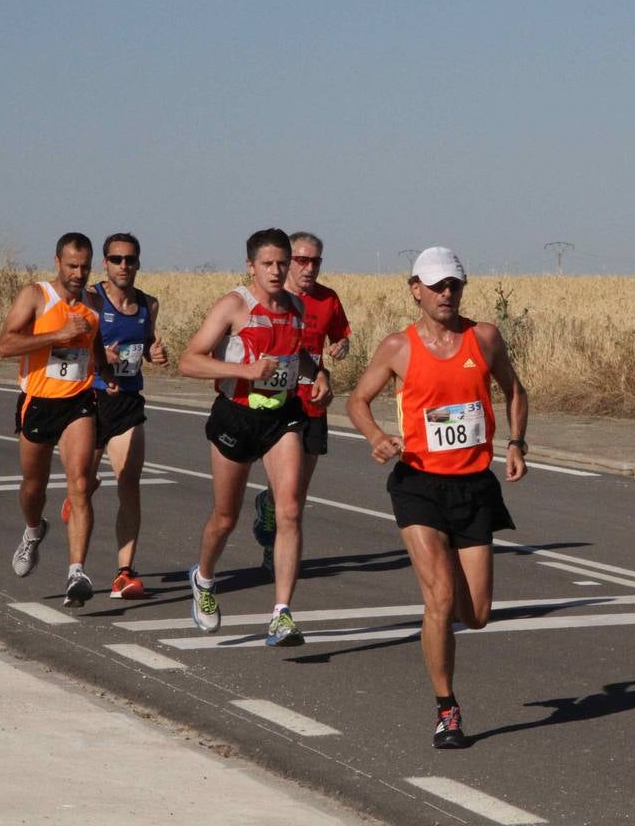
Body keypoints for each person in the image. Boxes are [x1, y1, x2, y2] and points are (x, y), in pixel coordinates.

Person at [347, 246, 528, 749]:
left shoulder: (484, 337)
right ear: (416, 289)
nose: (447, 293)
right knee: (440, 599)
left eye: (455, 285)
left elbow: (515, 391)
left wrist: (515, 443)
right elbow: (357, 401)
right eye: (438, 285)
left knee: (477, 615)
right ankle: (447, 709)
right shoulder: (397, 347)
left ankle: (444, 593)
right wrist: (377, 437)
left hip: (473, 486)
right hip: (418, 484)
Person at [177, 228, 330, 645]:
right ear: (251, 266)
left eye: (285, 262)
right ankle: (204, 579)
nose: (278, 271)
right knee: (225, 517)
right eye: (269, 264)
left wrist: (318, 377)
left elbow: (297, 356)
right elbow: (189, 361)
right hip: (235, 417)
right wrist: (245, 372)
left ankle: (282, 613)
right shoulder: (234, 306)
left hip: (281, 417)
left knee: (291, 510)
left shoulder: (297, 307)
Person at [0, 232, 115, 608]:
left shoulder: (94, 304)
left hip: (79, 401)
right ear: (58, 263)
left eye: (85, 266)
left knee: (80, 483)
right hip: (37, 402)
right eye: (72, 266)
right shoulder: (35, 296)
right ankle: (34, 530)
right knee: (34, 486)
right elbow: (4, 345)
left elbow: (92, 341)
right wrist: (56, 334)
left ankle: (76, 572)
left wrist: (107, 371)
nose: (79, 274)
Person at [58, 233, 169, 599]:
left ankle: (125, 573)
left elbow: (146, 346)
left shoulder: (147, 305)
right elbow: (68, 348)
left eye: (131, 259)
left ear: (138, 263)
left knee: (129, 484)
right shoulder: (91, 298)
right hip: (87, 401)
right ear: (105, 262)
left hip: (127, 403)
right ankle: (80, 495)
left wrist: (155, 352)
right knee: (82, 486)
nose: (124, 266)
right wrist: (100, 356)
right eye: (117, 259)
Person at [252, 231, 350, 576]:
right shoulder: (271, 298)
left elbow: (341, 337)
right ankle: (273, 543)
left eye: (316, 261)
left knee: (297, 492)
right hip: (274, 401)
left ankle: (275, 521)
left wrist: (341, 348)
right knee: (284, 488)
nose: (309, 268)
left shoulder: (328, 300)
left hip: (312, 401)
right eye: (302, 260)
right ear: (288, 261)